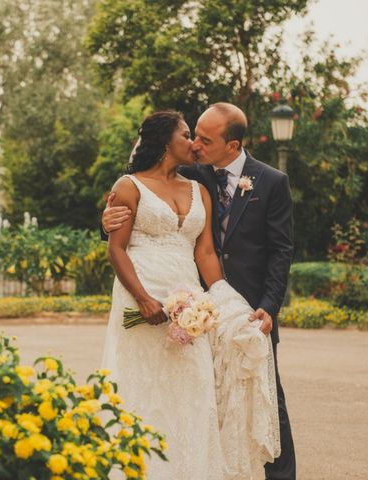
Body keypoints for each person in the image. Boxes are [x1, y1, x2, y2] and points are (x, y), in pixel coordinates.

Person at [103, 103, 295, 480]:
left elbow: (276, 250)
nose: (194, 145)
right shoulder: (187, 172)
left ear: (233, 145)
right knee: (146, 386)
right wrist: (106, 221)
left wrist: (238, 304)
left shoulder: (266, 182)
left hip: (228, 303)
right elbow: (125, 226)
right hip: (147, 293)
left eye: (203, 139)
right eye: (190, 136)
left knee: (258, 394)